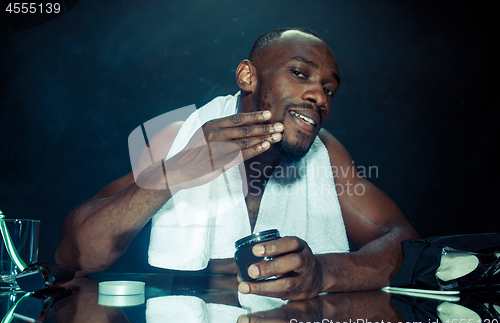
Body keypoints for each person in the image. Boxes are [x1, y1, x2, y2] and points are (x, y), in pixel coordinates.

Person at [55, 27, 419, 300]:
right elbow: (76, 255)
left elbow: (405, 241)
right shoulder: (181, 135)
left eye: (329, 89)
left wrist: (324, 272)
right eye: (299, 73)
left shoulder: (326, 153)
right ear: (247, 76)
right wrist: (178, 170)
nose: (318, 96)